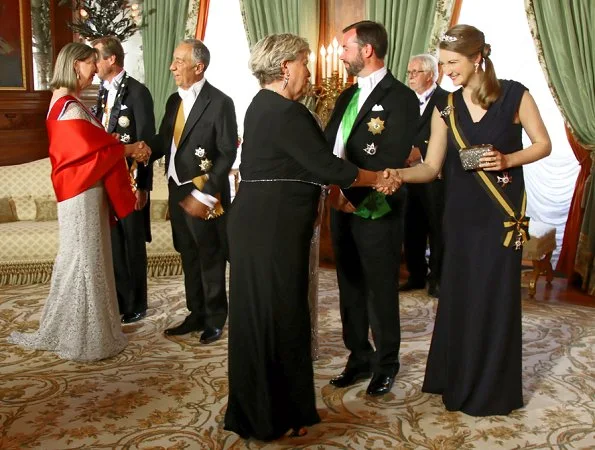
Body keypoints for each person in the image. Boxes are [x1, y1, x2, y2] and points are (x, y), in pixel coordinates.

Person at [220, 34, 399, 441]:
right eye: (304, 61)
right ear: (285, 67)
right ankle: (274, 414)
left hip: (261, 224)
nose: (309, 70)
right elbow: (328, 167)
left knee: (268, 315)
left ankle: (272, 409)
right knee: (278, 315)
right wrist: (380, 178)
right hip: (272, 228)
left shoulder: (262, 106)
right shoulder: (286, 111)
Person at [387, 24, 551, 415]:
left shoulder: (515, 94)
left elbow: (544, 144)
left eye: (453, 63)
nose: (446, 72)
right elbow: (430, 167)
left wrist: (509, 159)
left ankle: (491, 387)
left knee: (493, 296)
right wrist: (394, 174)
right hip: (459, 217)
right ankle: (454, 376)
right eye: (442, 65)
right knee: (460, 296)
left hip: (499, 217)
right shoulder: (446, 107)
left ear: (478, 57)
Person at [8, 42, 150, 361]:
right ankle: (83, 334)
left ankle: (80, 326)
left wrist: (123, 148)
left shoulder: (70, 101)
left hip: (87, 189)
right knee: (83, 259)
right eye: (90, 64)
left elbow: (96, 145)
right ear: (75, 65)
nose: (95, 70)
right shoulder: (66, 104)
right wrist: (128, 149)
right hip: (81, 191)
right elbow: (85, 152)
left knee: (86, 257)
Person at [324, 20, 419, 397]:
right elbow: (331, 145)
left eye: (346, 47)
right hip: (340, 203)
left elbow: (393, 157)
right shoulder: (346, 97)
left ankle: (386, 363)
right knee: (348, 286)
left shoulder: (402, 97)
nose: (342, 54)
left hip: (377, 206)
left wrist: (353, 193)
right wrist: (332, 189)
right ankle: (358, 356)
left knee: (380, 289)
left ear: (367, 50)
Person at [148, 39, 237, 343]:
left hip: (203, 191)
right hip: (176, 189)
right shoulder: (174, 101)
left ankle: (214, 317)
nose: (172, 67)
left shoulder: (220, 102)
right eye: (173, 60)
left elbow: (227, 153)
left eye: (179, 61)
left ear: (198, 67)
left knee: (210, 256)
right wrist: (142, 149)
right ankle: (196, 312)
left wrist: (208, 192)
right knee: (187, 253)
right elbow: (165, 140)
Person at [92, 36, 156, 324]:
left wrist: (143, 186)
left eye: (96, 57)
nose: (93, 64)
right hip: (107, 179)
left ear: (111, 60)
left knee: (132, 242)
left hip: (130, 182)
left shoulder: (137, 93)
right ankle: (119, 300)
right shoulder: (103, 92)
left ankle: (136, 303)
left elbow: (146, 144)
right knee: (115, 242)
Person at [400, 54, 448, 298]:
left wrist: (421, 149)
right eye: (409, 72)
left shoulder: (447, 99)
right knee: (411, 227)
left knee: (437, 228)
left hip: (436, 176)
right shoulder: (404, 100)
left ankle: (437, 278)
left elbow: (452, 137)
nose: (410, 76)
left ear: (430, 74)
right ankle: (416, 275)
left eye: (415, 72)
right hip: (409, 175)